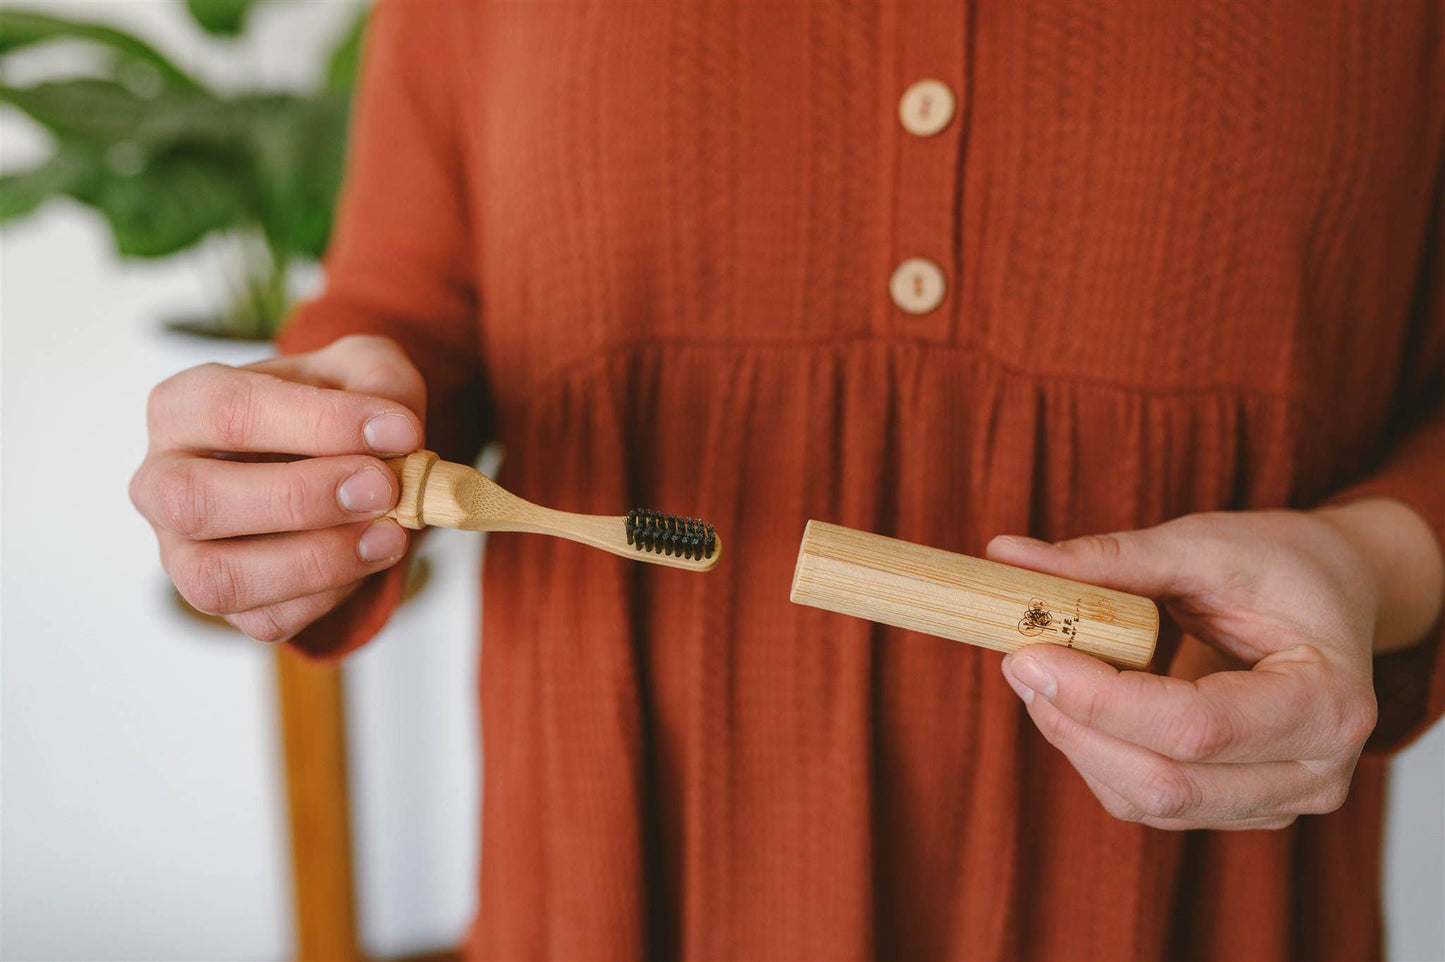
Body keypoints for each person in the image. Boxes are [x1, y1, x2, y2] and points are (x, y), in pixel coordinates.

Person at [130, 3, 1445, 959]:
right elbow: (408, 306)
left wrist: (1379, 561)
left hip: (1188, 897)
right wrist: (302, 458)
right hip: (619, 869)